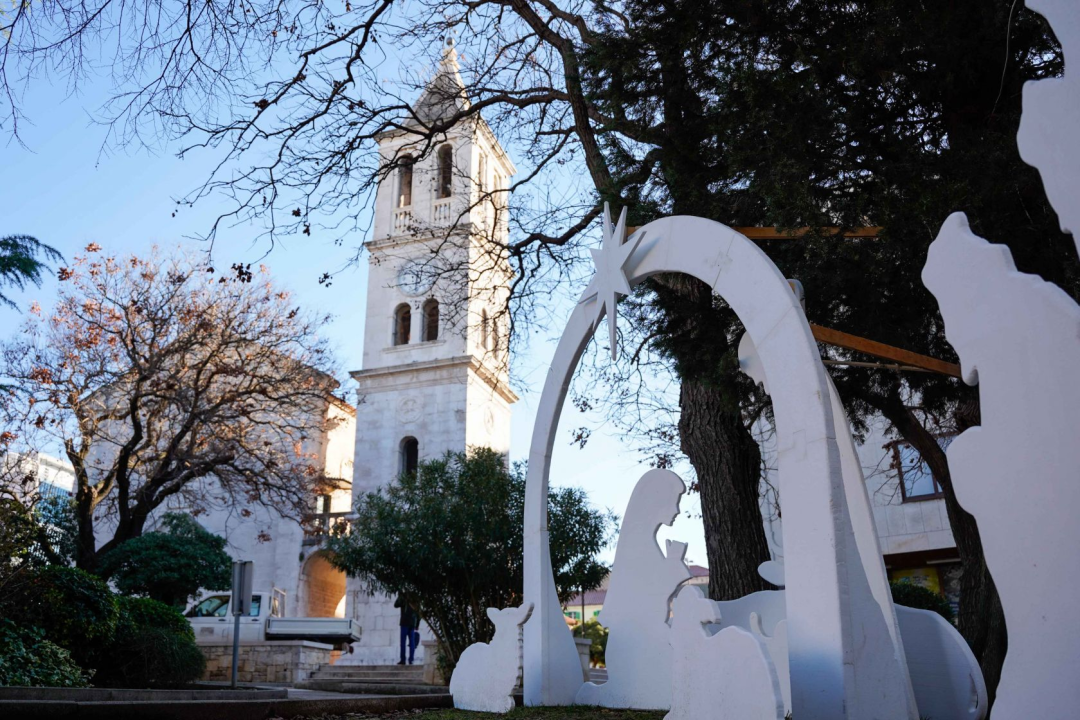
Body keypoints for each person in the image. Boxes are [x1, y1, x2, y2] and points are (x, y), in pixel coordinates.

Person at [395, 594, 420, 665]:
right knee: (412, 642)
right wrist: (417, 624)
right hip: (412, 624)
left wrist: (400, 596)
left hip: (404, 622)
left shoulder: (404, 597)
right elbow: (418, 613)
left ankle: (403, 660)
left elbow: (396, 605)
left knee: (403, 642)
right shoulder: (415, 598)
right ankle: (411, 660)